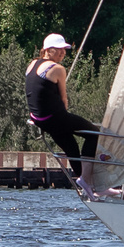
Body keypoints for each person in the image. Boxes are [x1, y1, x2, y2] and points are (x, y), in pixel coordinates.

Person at [23, 35, 98, 178]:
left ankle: (84, 184)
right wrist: (65, 118)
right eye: (58, 49)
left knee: (72, 147)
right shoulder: (57, 68)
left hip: (39, 119)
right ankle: (88, 179)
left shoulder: (32, 64)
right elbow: (64, 98)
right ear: (47, 50)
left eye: (64, 50)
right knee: (94, 134)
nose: (62, 53)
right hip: (54, 117)